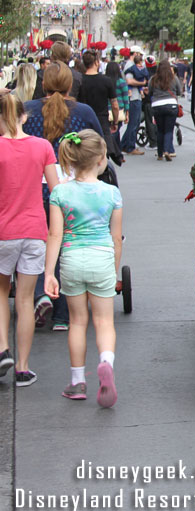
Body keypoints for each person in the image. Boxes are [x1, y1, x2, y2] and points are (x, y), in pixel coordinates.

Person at [23, 63, 104, 332]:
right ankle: (63, 314)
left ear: (43, 84)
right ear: (71, 85)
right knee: (69, 244)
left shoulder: (29, 109)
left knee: (37, 245)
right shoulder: (83, 111)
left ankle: (38, 293)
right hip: (73, 189)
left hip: (34, 188)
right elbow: (97, 145)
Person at [44, 130, 122, 406]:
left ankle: (77, 381)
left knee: (77, 322)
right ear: (101, 159)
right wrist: (114, 271)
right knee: (104, 321)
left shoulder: (60, 192)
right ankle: (106, 363)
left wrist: (49, 273)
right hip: (101, 258)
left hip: (72, 259)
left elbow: (54, 235)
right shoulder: (112, 193)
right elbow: (116, 238)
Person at [0, 94, 60, 388]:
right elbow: (57, 193)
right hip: (35, 232)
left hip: (2, 232)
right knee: (25, 300)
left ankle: (2, 351)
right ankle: (23, 367)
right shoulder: (42, 147)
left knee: (1, 294)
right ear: (24, 116)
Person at [75, 51, 120, 159]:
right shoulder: (106, 81)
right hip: (101, 120)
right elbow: (114, 104)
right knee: (103, 150)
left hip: (84, 120)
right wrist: (115, 121)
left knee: (85, 150)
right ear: (96, 62)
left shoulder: (79, 80)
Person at [149, 60, 183, 160]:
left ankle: (160, 154)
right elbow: (179, 92)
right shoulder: (174, 78)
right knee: (169, 130)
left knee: (160, 130)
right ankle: (167, 150)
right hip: (171, 105)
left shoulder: (153, 79)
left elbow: (150, 91)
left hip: (157, 105)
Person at [121, 54, 148, 155]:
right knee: (134, 123)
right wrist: (142, 84)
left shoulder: (133, 66)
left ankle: (124, 144)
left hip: (137, 97)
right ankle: (130, 147)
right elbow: (129, 80)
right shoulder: (130, 66)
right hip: (133, 98)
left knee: (135, 122)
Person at [105, 60, 129, 157]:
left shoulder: (105, 81)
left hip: (106, 109)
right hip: (119, 109)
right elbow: (125, 98)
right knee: (116, 130)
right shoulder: (121, 82)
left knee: (112, 131)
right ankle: (115, 151)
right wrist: (127, 113)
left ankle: (117, 152)